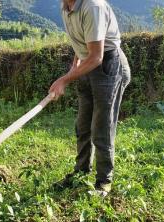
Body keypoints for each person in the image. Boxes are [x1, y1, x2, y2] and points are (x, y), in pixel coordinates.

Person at [50, 0, 131, 196]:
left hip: (107, 65)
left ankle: (104, 182)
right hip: (86, 67)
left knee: (101, 127)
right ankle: (81, 172)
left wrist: (64, 80)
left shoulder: (92, 6)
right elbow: (81, 47)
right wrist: (73, 69)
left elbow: (97, 56)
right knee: (83, 126)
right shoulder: (66, 8)